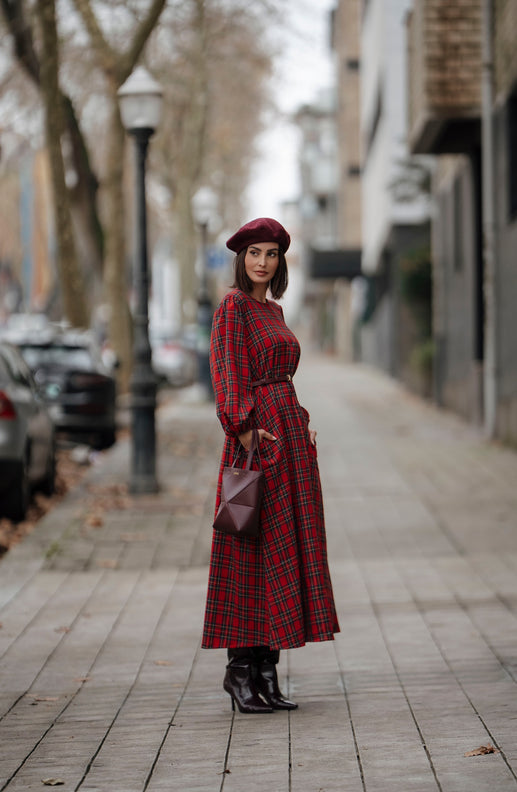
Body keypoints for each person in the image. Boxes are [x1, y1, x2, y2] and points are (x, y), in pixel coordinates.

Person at [202, 217, 339, 714]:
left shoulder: (274, 310)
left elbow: (282, 377)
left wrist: (300, 424)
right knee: (249, 556)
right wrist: (241, 427)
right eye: (254, 253)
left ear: (281, 261)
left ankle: (267, 672)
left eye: (272, 253)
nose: (263, 262)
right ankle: (240, 673)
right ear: (241, 259)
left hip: (288, 442)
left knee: (285, 552)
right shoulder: (233, 307)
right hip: (255, 442)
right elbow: (227, 369)